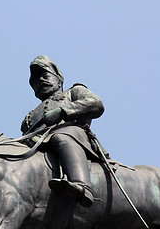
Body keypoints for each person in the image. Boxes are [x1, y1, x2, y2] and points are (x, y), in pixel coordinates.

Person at [21, 55, 106, 207]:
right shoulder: (30, 116)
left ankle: (81, 186)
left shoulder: (74, 92)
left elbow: (96, 104)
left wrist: (63, 111)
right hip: (40, 144)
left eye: (45, 76)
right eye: (35, 81)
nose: (40, 80)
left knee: (61, 137)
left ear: (59, 80)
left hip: (75, 135)